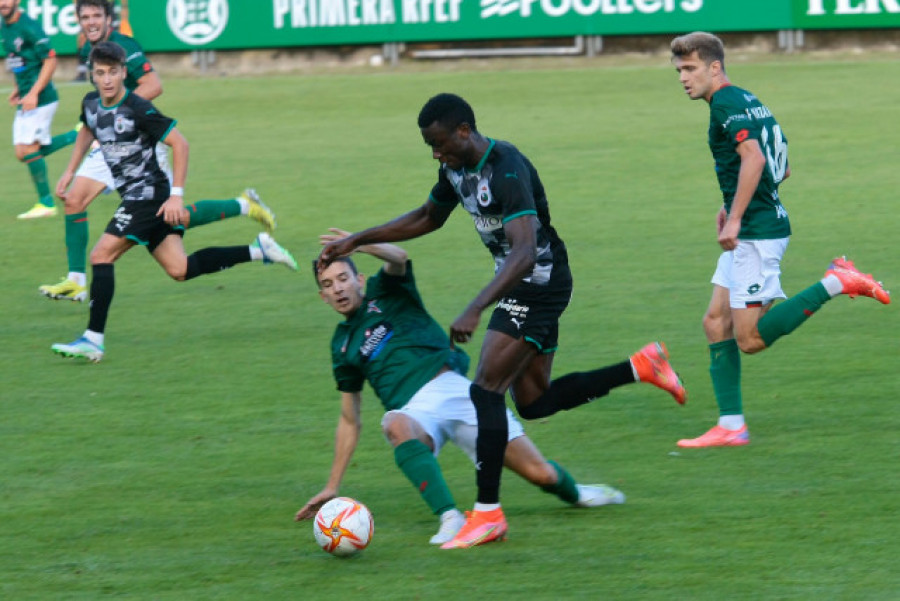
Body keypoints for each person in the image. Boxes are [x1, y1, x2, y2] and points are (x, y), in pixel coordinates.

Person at [318, 93, 686, 549]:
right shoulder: (455, 169)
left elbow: (526, 251)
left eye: (439, 144)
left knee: (484, 389)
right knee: (533, 401)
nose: (436, 154)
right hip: (520, 282)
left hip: (539, 281)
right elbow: (428, 216)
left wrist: (476, 307)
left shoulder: (505, 166)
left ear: (464, 131)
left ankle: (488, 513)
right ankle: (641, 366)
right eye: (430, 147)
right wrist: (359, 238)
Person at [297, 229, 627, 545]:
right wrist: (332, 485)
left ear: (359, 280)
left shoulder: (387, 292)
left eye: (343, 278)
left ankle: (580, 494)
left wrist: (359, 243)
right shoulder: (342, 345)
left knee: (541, 475)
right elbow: (349, 419)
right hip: (416, 413)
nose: (338, 289)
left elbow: (398, 256)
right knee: (393, 424)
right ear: (322, 297)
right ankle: (450, 517)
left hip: (456, 391)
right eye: (328, 285)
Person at [669, 32, 890, 448]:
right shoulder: (749, 99)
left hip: (756, 233)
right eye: (679, 70)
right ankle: (732, 426)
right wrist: (732, 202)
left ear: (715, 67)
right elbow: (781, 167)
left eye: (690, 68)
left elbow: (754, 158)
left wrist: (735, 217)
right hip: (755, 222)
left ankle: (837, 281)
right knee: (715, 322)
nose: (683, 77)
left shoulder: (727, 105)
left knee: (749, 339)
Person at [50, 41, 298, 363]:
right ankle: (259, 250)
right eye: (100, 73)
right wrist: (70, 171)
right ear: (92, 76)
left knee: (101, 255)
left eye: (113, 72)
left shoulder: (138, 108)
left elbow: (180, 144)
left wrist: (176, 195)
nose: (107, 79)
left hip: (148, 195)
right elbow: (88, 128)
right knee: (179, 269)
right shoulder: (91, 103)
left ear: (124, 72)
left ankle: (93, 340)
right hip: (136, 196)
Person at [40, 0, 273, 303]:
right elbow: (93, 111)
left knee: (172, 218)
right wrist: (71, 167)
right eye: (85, 16)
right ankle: (76, 280)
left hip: (138, 142)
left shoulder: (123, 45)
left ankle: (242, 205)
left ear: (109, 17)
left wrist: (117, 117)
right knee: (74, 199)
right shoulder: (87, 46)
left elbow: (153, 84)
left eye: (97, 15)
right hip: (112, 142)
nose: (92, 21)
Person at [1, 0, 78, 219]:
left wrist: (34, 92)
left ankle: (46, 203)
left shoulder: (29, 27)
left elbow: (50, 59)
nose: (3, 3)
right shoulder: (4, 26)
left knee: (29, 150)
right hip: (26, 97)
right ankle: (78, 135)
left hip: (41, 98)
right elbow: (20, 60)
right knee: (22, 153)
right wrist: (18, 88)